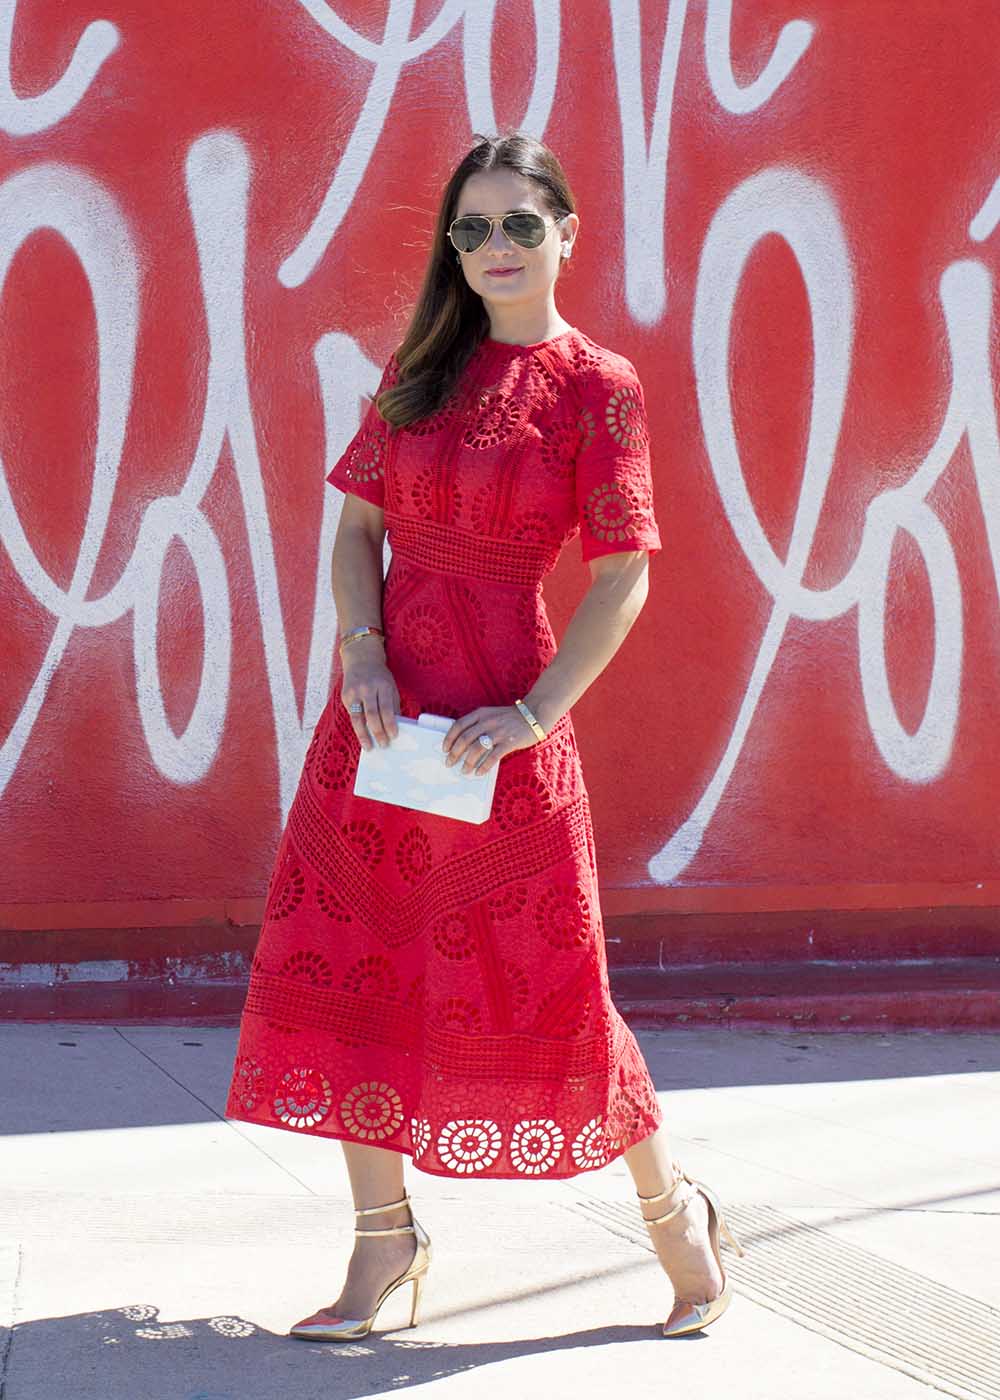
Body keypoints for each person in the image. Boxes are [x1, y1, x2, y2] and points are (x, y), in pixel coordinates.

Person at [224, 129, 744, 1341]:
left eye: (520, 222)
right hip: (381, 724)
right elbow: (357, 534)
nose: (495, 246)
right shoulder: (417, 365)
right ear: (449, 247)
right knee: (358, 972)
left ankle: (679, 1218)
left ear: (567, 230)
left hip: (501, 734)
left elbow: (625, 573)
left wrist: (536, 710)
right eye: (471, 227)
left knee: (561, 993)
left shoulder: (596, 386)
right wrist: (359, 646)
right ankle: (381, 1246)